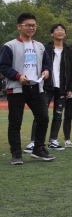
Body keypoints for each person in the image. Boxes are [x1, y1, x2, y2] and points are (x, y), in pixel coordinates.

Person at [0, 12, 55, 164]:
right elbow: (3, 67)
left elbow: (47, 63)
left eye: (33, 25)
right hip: (17, 88)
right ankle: (16, 152)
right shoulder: (9, 46)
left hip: (36, 87)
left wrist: (46, 71)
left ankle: (38, 149)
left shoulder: (39, 46)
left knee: (43, 118)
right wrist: (18, 76)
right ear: (19, 26)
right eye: (28, 25)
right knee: (15, 121)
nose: (31, 28)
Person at [24, 23, 72, 152]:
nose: (60, 32)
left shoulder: (69, 51)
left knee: (58, 115)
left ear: (65, 33)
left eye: (62, 30)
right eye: (57, 30)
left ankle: (53, 140)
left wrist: (70, 87)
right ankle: (34, 142)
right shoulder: (44, 48)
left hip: (62, 87)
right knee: (40, 114)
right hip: (46, 86)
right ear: (52, 34)